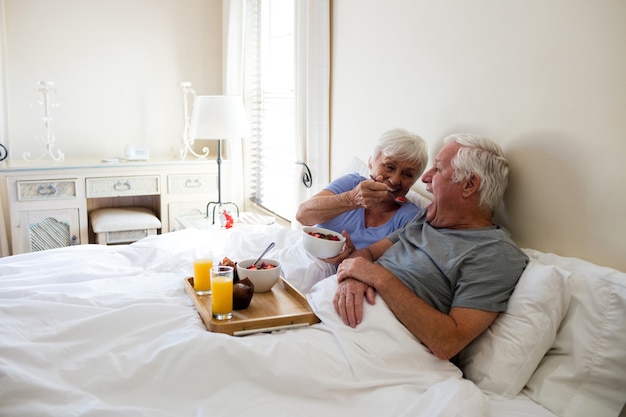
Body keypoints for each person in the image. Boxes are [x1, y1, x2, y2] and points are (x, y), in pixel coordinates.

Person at [332, 133, 529, 361]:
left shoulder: (495, 254)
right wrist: (353, 277)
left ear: (469, 185)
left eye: (438, 169)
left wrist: (377, 277)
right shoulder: (427, 218)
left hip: (375, 347)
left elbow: (448, 342)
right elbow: (367, 254)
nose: (425, 178)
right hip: (337, 315)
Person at [295, 128, 429, 261]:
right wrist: (351, 199)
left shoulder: (411, 218)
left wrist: (350, 257)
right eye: (389, 167)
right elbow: (303, 216)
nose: (395, 180)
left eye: (407, 174)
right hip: (302, 256)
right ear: (371, 162)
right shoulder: (351, 183)